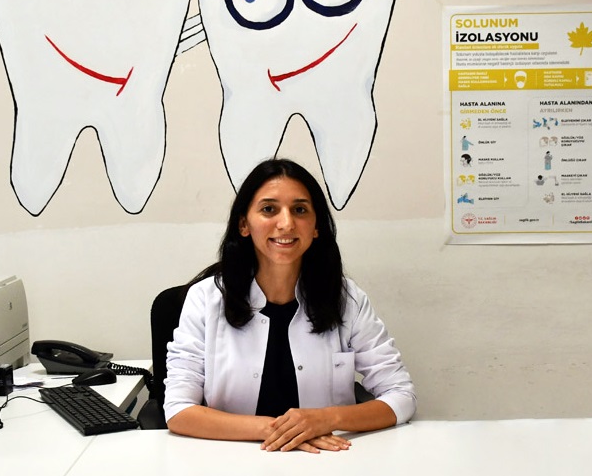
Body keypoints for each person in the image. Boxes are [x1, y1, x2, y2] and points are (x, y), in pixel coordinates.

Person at [164, 158, 416, 453]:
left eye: (300, 210)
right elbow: (179, 410)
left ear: (316, 226)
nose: (286, 223)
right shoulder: (206, 298)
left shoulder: (347, 299)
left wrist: (325, 419)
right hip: (232, 459)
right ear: (244, 224)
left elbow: (401, 396)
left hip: (326, 460)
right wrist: (281, 430)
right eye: (269, 209)